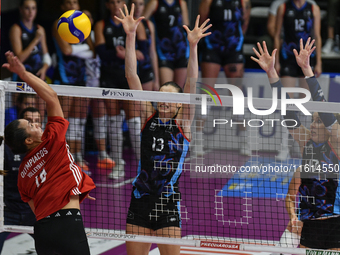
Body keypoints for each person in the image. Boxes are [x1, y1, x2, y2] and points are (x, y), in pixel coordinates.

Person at [116, 4, 211, 255]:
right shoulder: (149, 117)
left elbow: (191, 81)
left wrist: (192, 47)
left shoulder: (184, 124)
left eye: (170, 97)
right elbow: (131, 76)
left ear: (180, 103)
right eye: (161, 96)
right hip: (139, 201)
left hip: (167, 205)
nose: (164, 101)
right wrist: (130, 35)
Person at [3, 51, 96, 255]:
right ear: (29, 140)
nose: (36, 123)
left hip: (43, 232)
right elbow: (52, 97)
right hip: (68, 226)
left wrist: (73, 183)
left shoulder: (22, 175)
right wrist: (23, 73)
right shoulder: (52, 140)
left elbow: (39, 208)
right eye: (30, 125)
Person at [252, 38, 340, 250]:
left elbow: (326, 112)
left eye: (319, 121)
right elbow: (286, 112)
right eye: (314, 119)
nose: (314, 123)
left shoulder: (337, 144)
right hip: (310, 222)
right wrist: (272, 73)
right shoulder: (307, 142)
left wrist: (307, 70)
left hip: (336, 222)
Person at [94, 0, 142, 179]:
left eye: (119, 1)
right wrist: (118, 53)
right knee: (114, 123)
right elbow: (101, 52)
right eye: (112, 2)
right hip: (109, 78)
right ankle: (118, 164)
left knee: (135, 122)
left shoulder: (135, 23)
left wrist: (125, 54)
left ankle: (142, 165)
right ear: (107, 5)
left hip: (129, 77)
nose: (116, 5)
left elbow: (142, 53)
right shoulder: (102, 25)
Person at [198, 0, 251, 156]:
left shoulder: (243, 1)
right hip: (212, 46)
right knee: (206, 93)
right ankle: (198, 143)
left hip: (233, 47)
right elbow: (202, 22)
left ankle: (245, 141)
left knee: (237, 94)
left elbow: (245, 22)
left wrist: (235, 40)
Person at [273, 0, 322, 160]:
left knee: (305, 105)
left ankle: (305, 145)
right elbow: (277, 34)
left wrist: (319, 62)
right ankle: (283, 147)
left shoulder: (313, 8)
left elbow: (317, 35)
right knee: (287, 104)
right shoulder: (283, 7)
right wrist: (277, 61)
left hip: (307, 59)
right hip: (288, 58)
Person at [52, 0, 93, 172]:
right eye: (67, 2)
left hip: (81, 79)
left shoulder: (83, 23)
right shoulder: (59, 23)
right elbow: (66, 51)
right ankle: (59, 158)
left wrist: (82, 51)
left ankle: (76, 157)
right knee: (63, 121)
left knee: (78, 121)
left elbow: (94, 51)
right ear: (62, 7)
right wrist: (84, 52)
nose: (71, 5)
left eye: (74, 2)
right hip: (64, 79)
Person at [0, 107, 41, 254]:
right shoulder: (4, 150)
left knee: (57, 247)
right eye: (30, 122)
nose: (35, 124)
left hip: (35, 212)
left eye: (37, 121)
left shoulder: (48, 150)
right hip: (7, 211)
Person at [9, 0, 51, 122]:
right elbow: (20, 58)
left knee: (40, 116)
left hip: (38, 78)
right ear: (21, 10)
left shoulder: (39, 29)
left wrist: (44, 68)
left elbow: (46, 56)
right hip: (20, 79)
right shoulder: (16, 29)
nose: (30, 12)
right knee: (21, 118)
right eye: (27, 8)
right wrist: (36, 39)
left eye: (33, 8)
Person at [143, 0, 190, 88]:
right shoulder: (155, 3)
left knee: (179, 90)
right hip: (164, 53)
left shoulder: (181, 3)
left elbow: (186, 28)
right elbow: (142, 23)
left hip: (181, 51)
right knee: (167, 89)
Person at [129, 0, 159, 91]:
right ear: (129, 5)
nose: (138, 7)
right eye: (135, 4)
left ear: (144, 7)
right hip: (130, 70)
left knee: (146, 103)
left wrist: (156, 80)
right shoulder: (125, 24)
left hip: (145, 68)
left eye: (141, 4)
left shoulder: (149, 25)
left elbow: (152, 52)